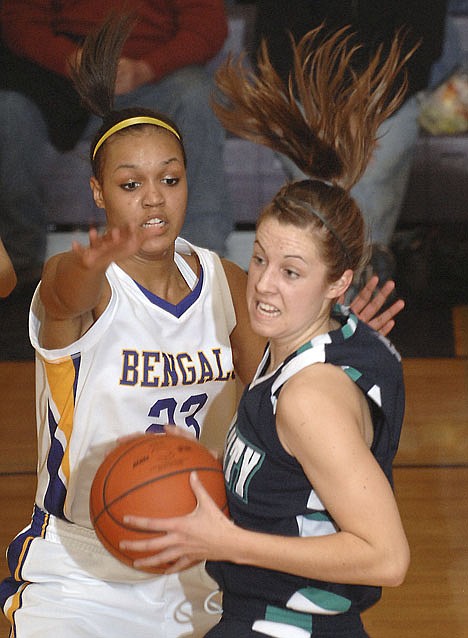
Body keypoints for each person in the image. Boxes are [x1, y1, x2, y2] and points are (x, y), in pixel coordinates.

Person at [0, 14, 404, 638]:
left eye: (170, 179)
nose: (154, 198)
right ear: (99, 193)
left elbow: (277, 384)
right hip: (83, 567)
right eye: (131, 185)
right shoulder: (82, 281)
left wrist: (331, 330)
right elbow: (60, 294)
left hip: (202, 560)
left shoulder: (226, 281)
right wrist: (87, 267)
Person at [120, 26, 411, 638]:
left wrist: (229, 541)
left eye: (292, 271)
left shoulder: (310, 396)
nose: (264, 284)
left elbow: (387, 557)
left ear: (339, 283)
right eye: (260, 259)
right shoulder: (327, 343)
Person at [0, 0, 232, 288]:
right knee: (8, 110)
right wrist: (73, 60)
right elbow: (19, 21)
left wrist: (147, 68)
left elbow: (207, 26)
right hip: (62, 80)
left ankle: (203, 266)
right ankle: (18, 273)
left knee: (199, 97)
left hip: (157, 77)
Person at [248, 0, 448, 284]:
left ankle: (341, 287)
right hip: (307, 99)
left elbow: (419, 50)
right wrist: (332, 112)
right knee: (328, 172)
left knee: (366, 172)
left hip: (388, 101)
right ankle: (354, 281)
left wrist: (366, 108)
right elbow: (275, 49)